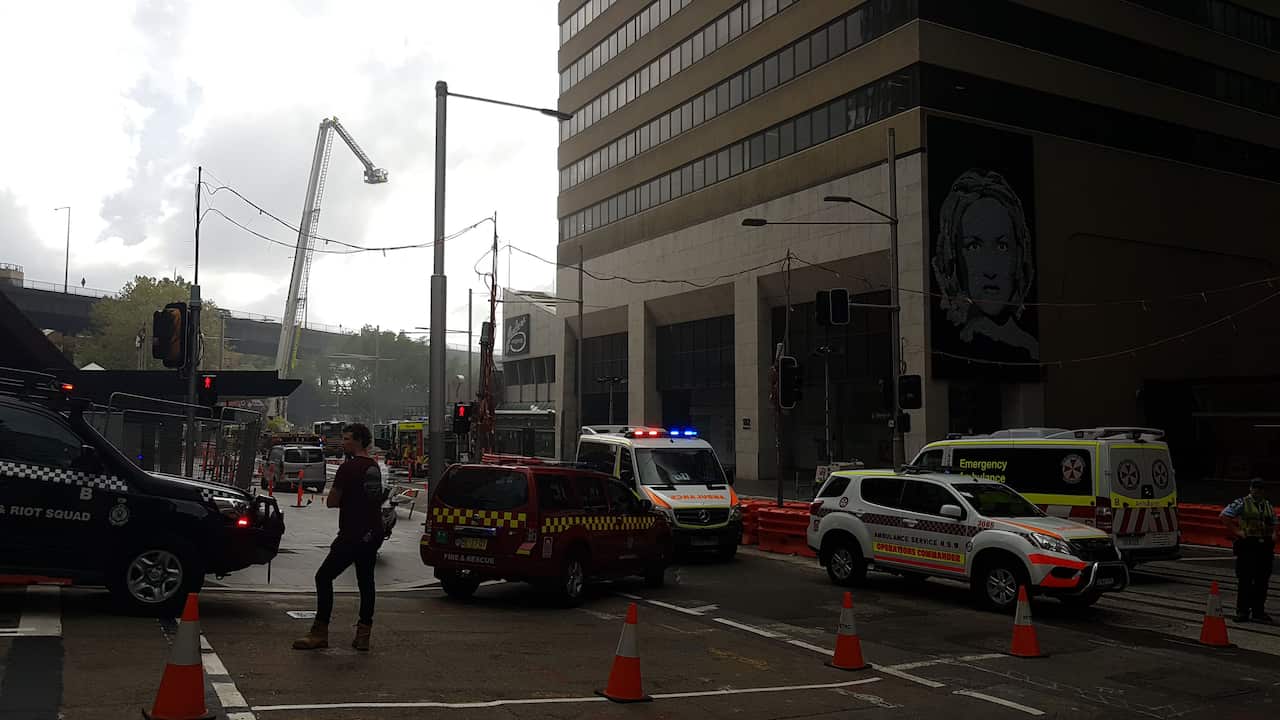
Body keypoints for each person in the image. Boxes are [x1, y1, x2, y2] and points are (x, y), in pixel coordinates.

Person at [293, 423, 385, 651]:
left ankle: (319, 631)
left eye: (346, 439)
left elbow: (332, 501)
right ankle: (363, 634)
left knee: (323, 577)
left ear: (358, 441)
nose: (343, 443)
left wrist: (347, 501)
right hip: (372, 533)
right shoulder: (373, 467)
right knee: (366, 581)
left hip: (352, 533)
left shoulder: (348, 469)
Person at [931, 169, 1039, 358]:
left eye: (1002, 246)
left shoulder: (1030, 350)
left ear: (1019, 254)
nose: (991, 269)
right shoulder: (946, 348)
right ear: (953, 256)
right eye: (973, 246)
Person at [1220, 478, 1277, 623]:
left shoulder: (1267, 505)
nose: (1257, 490)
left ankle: (1258, 611)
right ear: (1251, 489)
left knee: (1262, 581)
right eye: (1255, 488)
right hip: (1248, 545)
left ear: (1264, 490)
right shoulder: (1241, 502)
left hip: (1264, 546)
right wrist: (1237, 531)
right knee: (1245, 580)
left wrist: (1274, 534)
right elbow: (1224, 516)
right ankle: (1243, 611)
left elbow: (1273, 522)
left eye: (1260, 488)